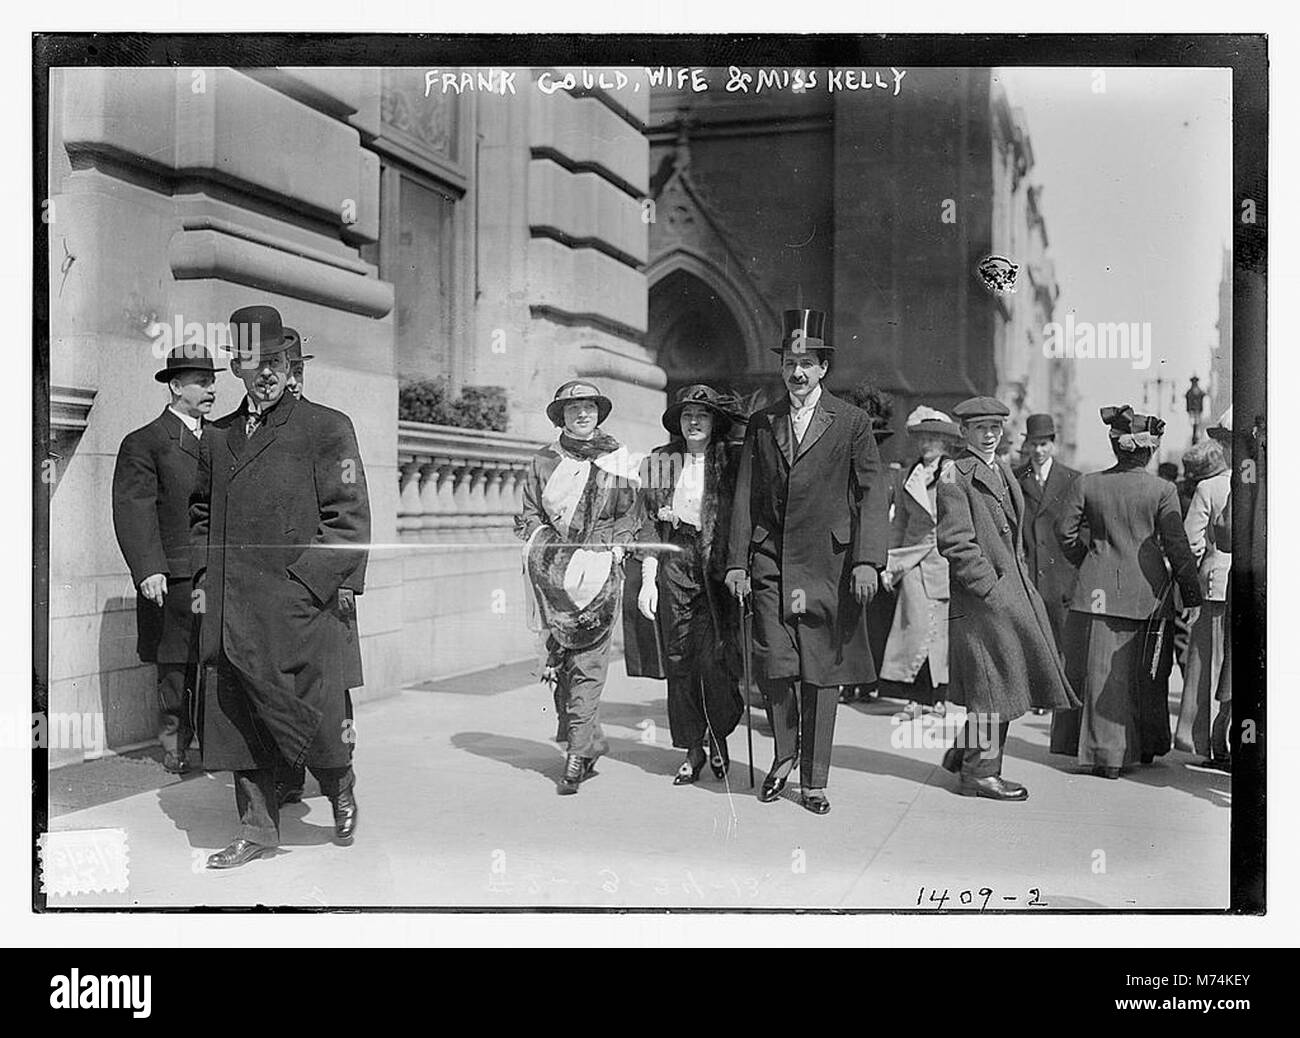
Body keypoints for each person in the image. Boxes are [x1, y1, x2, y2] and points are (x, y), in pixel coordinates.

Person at [191, 305, 370, 868]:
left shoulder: (327, 426)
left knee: (315, 717)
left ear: (289, 364)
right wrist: (205, 575)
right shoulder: (217, 437)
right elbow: (198, 512)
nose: (264, 372)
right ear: (237, 370)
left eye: (274, 360)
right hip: (232, 611)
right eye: (251, 363)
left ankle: (339, 785)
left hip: (297, 608)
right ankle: (257, 831)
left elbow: (349, 520)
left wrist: (303, 589)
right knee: (238, 721)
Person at [724, 308, 890, 815]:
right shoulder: (762, 422)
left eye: (808, 363)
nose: (797, 372)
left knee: (820, 672)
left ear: (823, 369)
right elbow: (746, 494)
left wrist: (868, 561)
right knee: (775, 663)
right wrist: (736, 562)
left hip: (829, 565)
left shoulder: (852, 423)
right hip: (770, 560)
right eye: (790, 362)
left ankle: (814, 780)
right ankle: (783, 755)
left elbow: (872, 490)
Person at [935, 396, 1079, 801]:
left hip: (1009, 590)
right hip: (984, 600)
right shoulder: (956, 475)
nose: (989, 435)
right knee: (992, 686)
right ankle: (980, 773)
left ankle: (965, 754)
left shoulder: (998, 468)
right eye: (980, 428)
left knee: (1001, 679)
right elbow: (956, 543)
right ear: (964, 433)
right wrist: (991, 590)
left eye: (995, 428)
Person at [1051, 406, 1203, 779]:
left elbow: (1064, 533)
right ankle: (1145, 746)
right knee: (1149, 672)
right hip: (1147, 594)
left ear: (1114, 445)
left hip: (1096, 591)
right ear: (1150, 451)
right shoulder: (1163, 490)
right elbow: (1178, 547)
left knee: (1101, 673)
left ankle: (1105, 754)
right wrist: (1191, 595)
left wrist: (1089, 559)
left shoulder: (1087, 484)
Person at [515, 380, 640, 794]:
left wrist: (615, 551)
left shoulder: (618, 460)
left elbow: (628, 516)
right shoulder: (543, 461)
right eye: (573, 409)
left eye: (588, 407)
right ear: (562, 417)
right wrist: (543, 548)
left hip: (600, 571)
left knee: (588, 663)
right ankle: (589, 743)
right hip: (553, 574)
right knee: (559, 662)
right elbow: (529, 513)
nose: (582, 414)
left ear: (598, 413)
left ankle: (574, 754)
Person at [112, 344, 224, 775]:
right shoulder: (145, 442)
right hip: (172, 577)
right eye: (201, 382)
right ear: (176, 387)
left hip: (213, 574)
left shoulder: (221, 439)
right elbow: (133, 508)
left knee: (213, 661)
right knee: (175, 664)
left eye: (212, 381)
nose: (211, 389)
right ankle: (175, 744)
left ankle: (214, 745)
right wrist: (148, 568)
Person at [624, 384, 745, 785]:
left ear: (714, 422)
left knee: (716, 658)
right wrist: (648, 578)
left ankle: (720, 736)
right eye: (687, 415)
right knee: (679, 657)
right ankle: (693, 747)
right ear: (678, 422)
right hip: (674, 560)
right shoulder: (661, 461)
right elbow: (647, 523)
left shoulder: (730, 460)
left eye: (703, 415)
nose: (694, 421)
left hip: (717, 566)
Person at [269, 328, 367, 808]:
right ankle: (287, 776)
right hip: (270, 593)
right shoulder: (256, 433)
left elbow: (351, 510)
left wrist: (345, 582)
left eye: (298, 370)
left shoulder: (330, 426)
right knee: (278, 692)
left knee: (329, 697)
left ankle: (338, 783)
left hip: (322, 587)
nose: (293, 381)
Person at [879, 407, 962, 719]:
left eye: (934, 438)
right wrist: (891, 559)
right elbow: (899, 520)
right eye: (923, 437)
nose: (927, 443)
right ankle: (914, 700)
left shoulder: (953, 472)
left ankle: (939, 699)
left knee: (940, 632)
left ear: (945, 442)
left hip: (943, 560)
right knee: (913, 628)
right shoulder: (908, 474)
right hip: (911, 561)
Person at [1012, 413, 1083, 714]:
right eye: (1033, 444)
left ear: (1053, 445)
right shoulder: (1017, 478)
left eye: (1044, 444)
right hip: (1029, 566)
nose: (1038, 451)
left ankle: (1061, 694)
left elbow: (1082, 525)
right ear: (1026, 446)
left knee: (1063, 634)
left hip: (1061, 569)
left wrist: (1076, 563)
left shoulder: (1072, 478)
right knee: (1034, 634)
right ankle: (1037, 695)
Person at [1174, 418, 1233, 773]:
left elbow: (1191, 541)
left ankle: (1211, 740)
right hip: (1248, 585)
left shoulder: (1209, 488)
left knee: (1208, 662)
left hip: (1215, 583)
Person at [839, 380, 899, 704]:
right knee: (850, 622)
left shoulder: (892, 476)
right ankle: (848, 680)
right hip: (847, 551)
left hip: (879, 557)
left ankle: (869, 680)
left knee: (875, 625)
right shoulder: (844, 472)